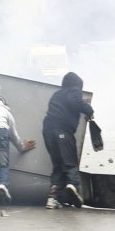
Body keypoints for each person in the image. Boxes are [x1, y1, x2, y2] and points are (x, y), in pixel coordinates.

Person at [41, 71, 94, 209]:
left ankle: (53, 198)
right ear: (77, 85)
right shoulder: (73, 91)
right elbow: (74, 101)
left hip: (48, 132)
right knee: (70, 163)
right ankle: (73, 186)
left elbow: (69, 103)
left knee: (57, 166)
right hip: (63, 131)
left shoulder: (57, 94)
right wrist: (89, 109)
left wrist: (81, 103)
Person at [0, 95, 36, 209]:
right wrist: (22, 147)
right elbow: (13, 134)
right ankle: (3, 184)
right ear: (3, 102)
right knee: (2, 165)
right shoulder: (5, 111)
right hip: (1, 130)